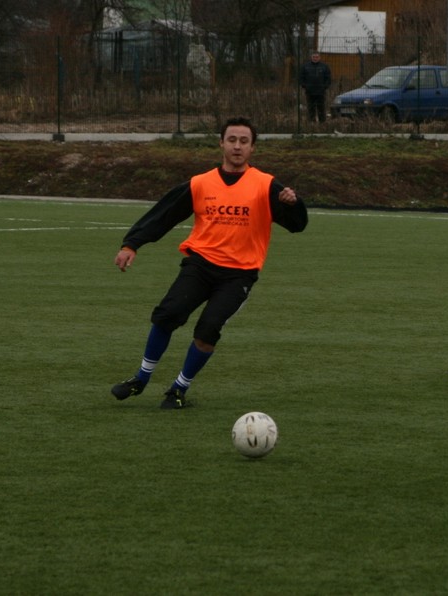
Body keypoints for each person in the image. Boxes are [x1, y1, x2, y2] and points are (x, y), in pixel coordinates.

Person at [110, 116, 308, 409]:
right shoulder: (201, 183)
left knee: (208, 329)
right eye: (232, 140)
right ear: (221, 143)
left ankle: (178, 390)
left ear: (252, 148)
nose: (237, 146)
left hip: (239, 275)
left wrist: (294, 204)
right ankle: (141, 378)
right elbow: (164, 214)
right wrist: (132, 244)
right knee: (167, 315)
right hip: (200, 266)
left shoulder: (266, 185)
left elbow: (297, 224)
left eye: (244, 141)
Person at [299, 52, 331, 123]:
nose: (315, 58)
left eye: (317, 57)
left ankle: (322, 123)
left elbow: (328, 78)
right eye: (314, 57)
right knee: (311, 108)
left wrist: (324, 87)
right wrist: (305, 86)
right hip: (309, 91)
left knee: (321, 108)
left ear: (319, 58)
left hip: (321, 91)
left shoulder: (324, 67)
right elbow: (301, 78)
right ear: (311, 57)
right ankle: (311, 122)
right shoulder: (305, 67)